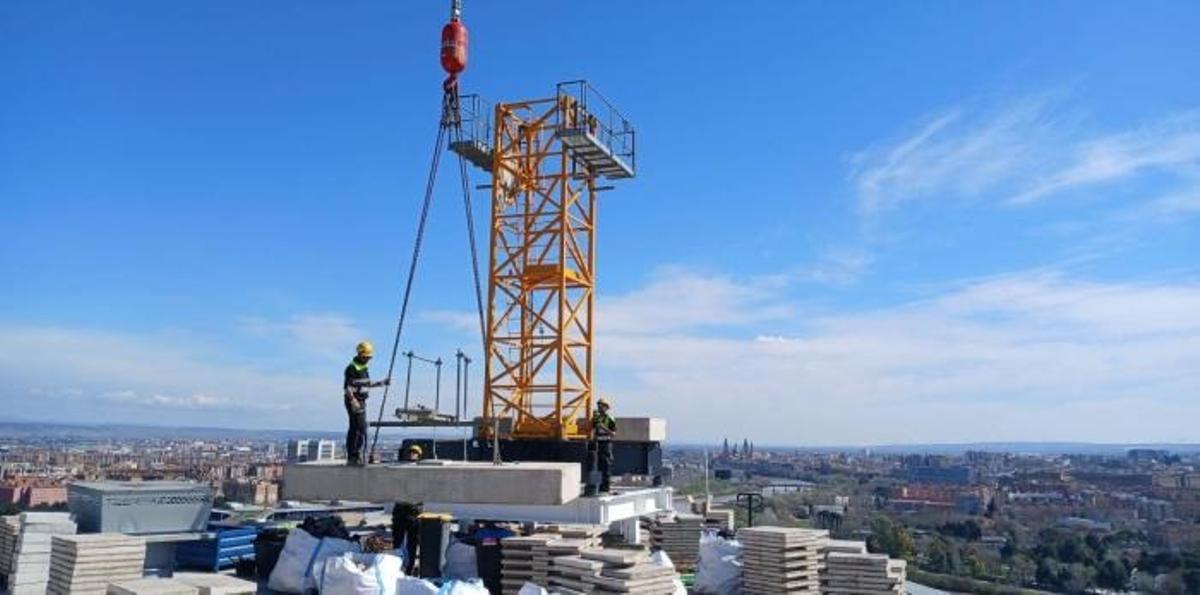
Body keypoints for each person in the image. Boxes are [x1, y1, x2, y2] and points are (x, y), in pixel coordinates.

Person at [344, 341, 390, 466]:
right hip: (355, 401)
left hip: (361, 401)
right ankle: (354, 456)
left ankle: (355, 456)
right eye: (366, 357)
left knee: (357, 428)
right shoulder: (352, 368)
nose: (368, 359)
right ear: (360, 354)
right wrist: (353, 401)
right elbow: (348, 387)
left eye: (369, 357)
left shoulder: (363, 368)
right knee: (360, 428)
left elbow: (366, 384)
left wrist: (381, 383)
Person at [591, 396, 617, 493]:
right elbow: (592, 429)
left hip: (606, 444)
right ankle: (597, 487)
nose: (599, 407)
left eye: (601, 405)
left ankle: (605, 489)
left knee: (605, 466)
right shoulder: (597, 417)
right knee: (596, 466)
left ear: (606, 407)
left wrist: (603, 427)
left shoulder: (610, 418)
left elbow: (613, 434)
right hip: (597, 444)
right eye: (598, 405)